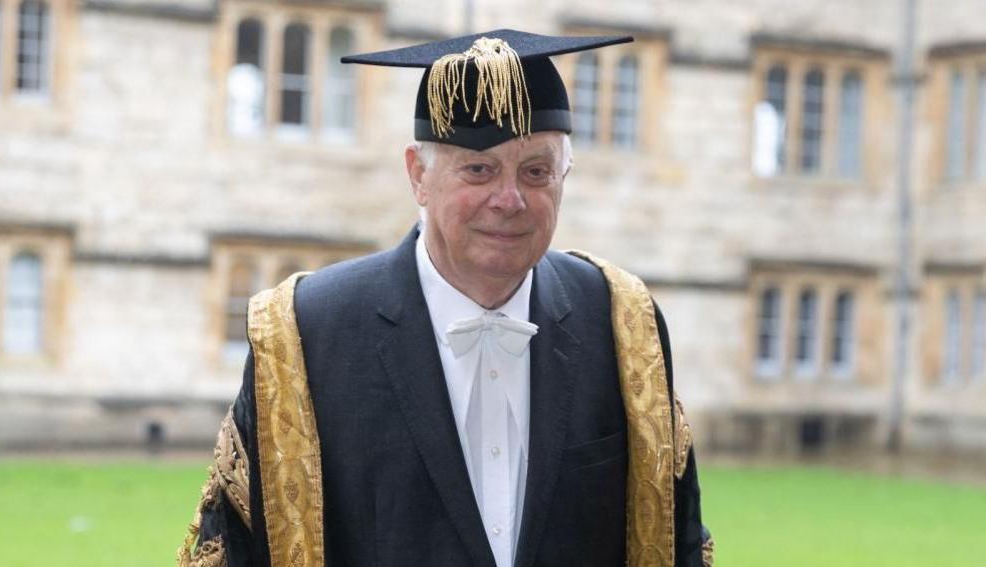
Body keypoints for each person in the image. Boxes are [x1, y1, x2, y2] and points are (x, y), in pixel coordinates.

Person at [177, 29, 713, 567]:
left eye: (536, 172)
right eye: (479, 169)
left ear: (564, 176)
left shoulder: (622, 324)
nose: (510, 200)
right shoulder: (305, 336)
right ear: (418, 176)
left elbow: (676, 535)